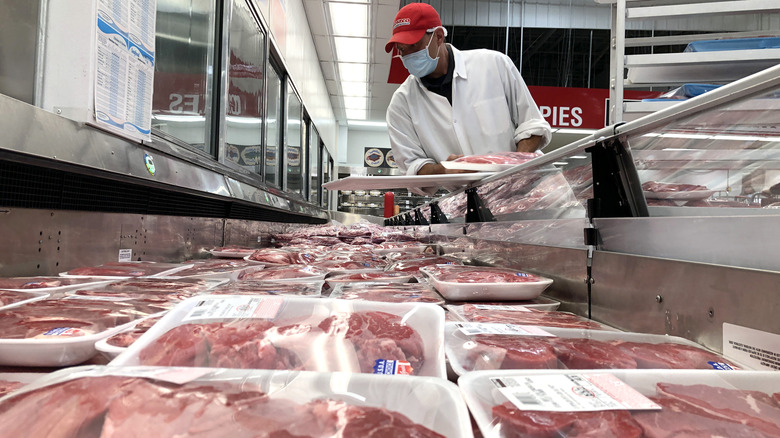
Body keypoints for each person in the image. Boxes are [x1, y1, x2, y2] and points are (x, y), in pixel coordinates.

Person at [385, 2, 552, 176]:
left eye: (414, 46)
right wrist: (442, 170)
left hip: (530, 183)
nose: (408, 55)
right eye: (402, 50)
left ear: (439, 37)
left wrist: (513, 168)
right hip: (469, 196)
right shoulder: (402, 104)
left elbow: (532, 125)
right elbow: (412, 166)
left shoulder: (493, 65)